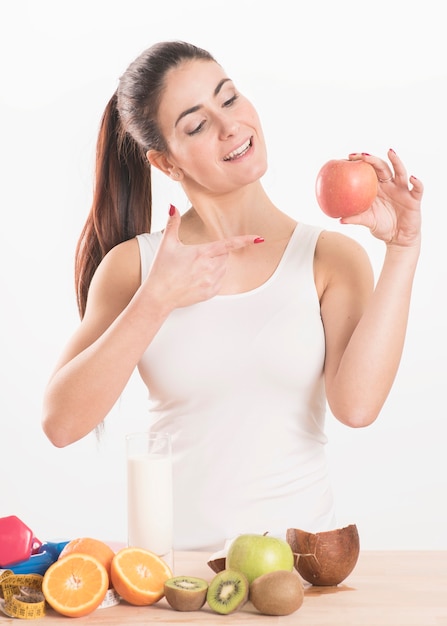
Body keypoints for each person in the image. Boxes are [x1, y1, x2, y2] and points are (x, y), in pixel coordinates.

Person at [42, 41, 423, 551]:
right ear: (166, 164)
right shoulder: (136, 268)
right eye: (196, 125)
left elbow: (356, 408)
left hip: (297, 574)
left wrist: (402, 250)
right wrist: (156, 299)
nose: (230, 126)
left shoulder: (329, 257)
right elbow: (61, 424)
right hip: (173, 578)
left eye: (229, 98)